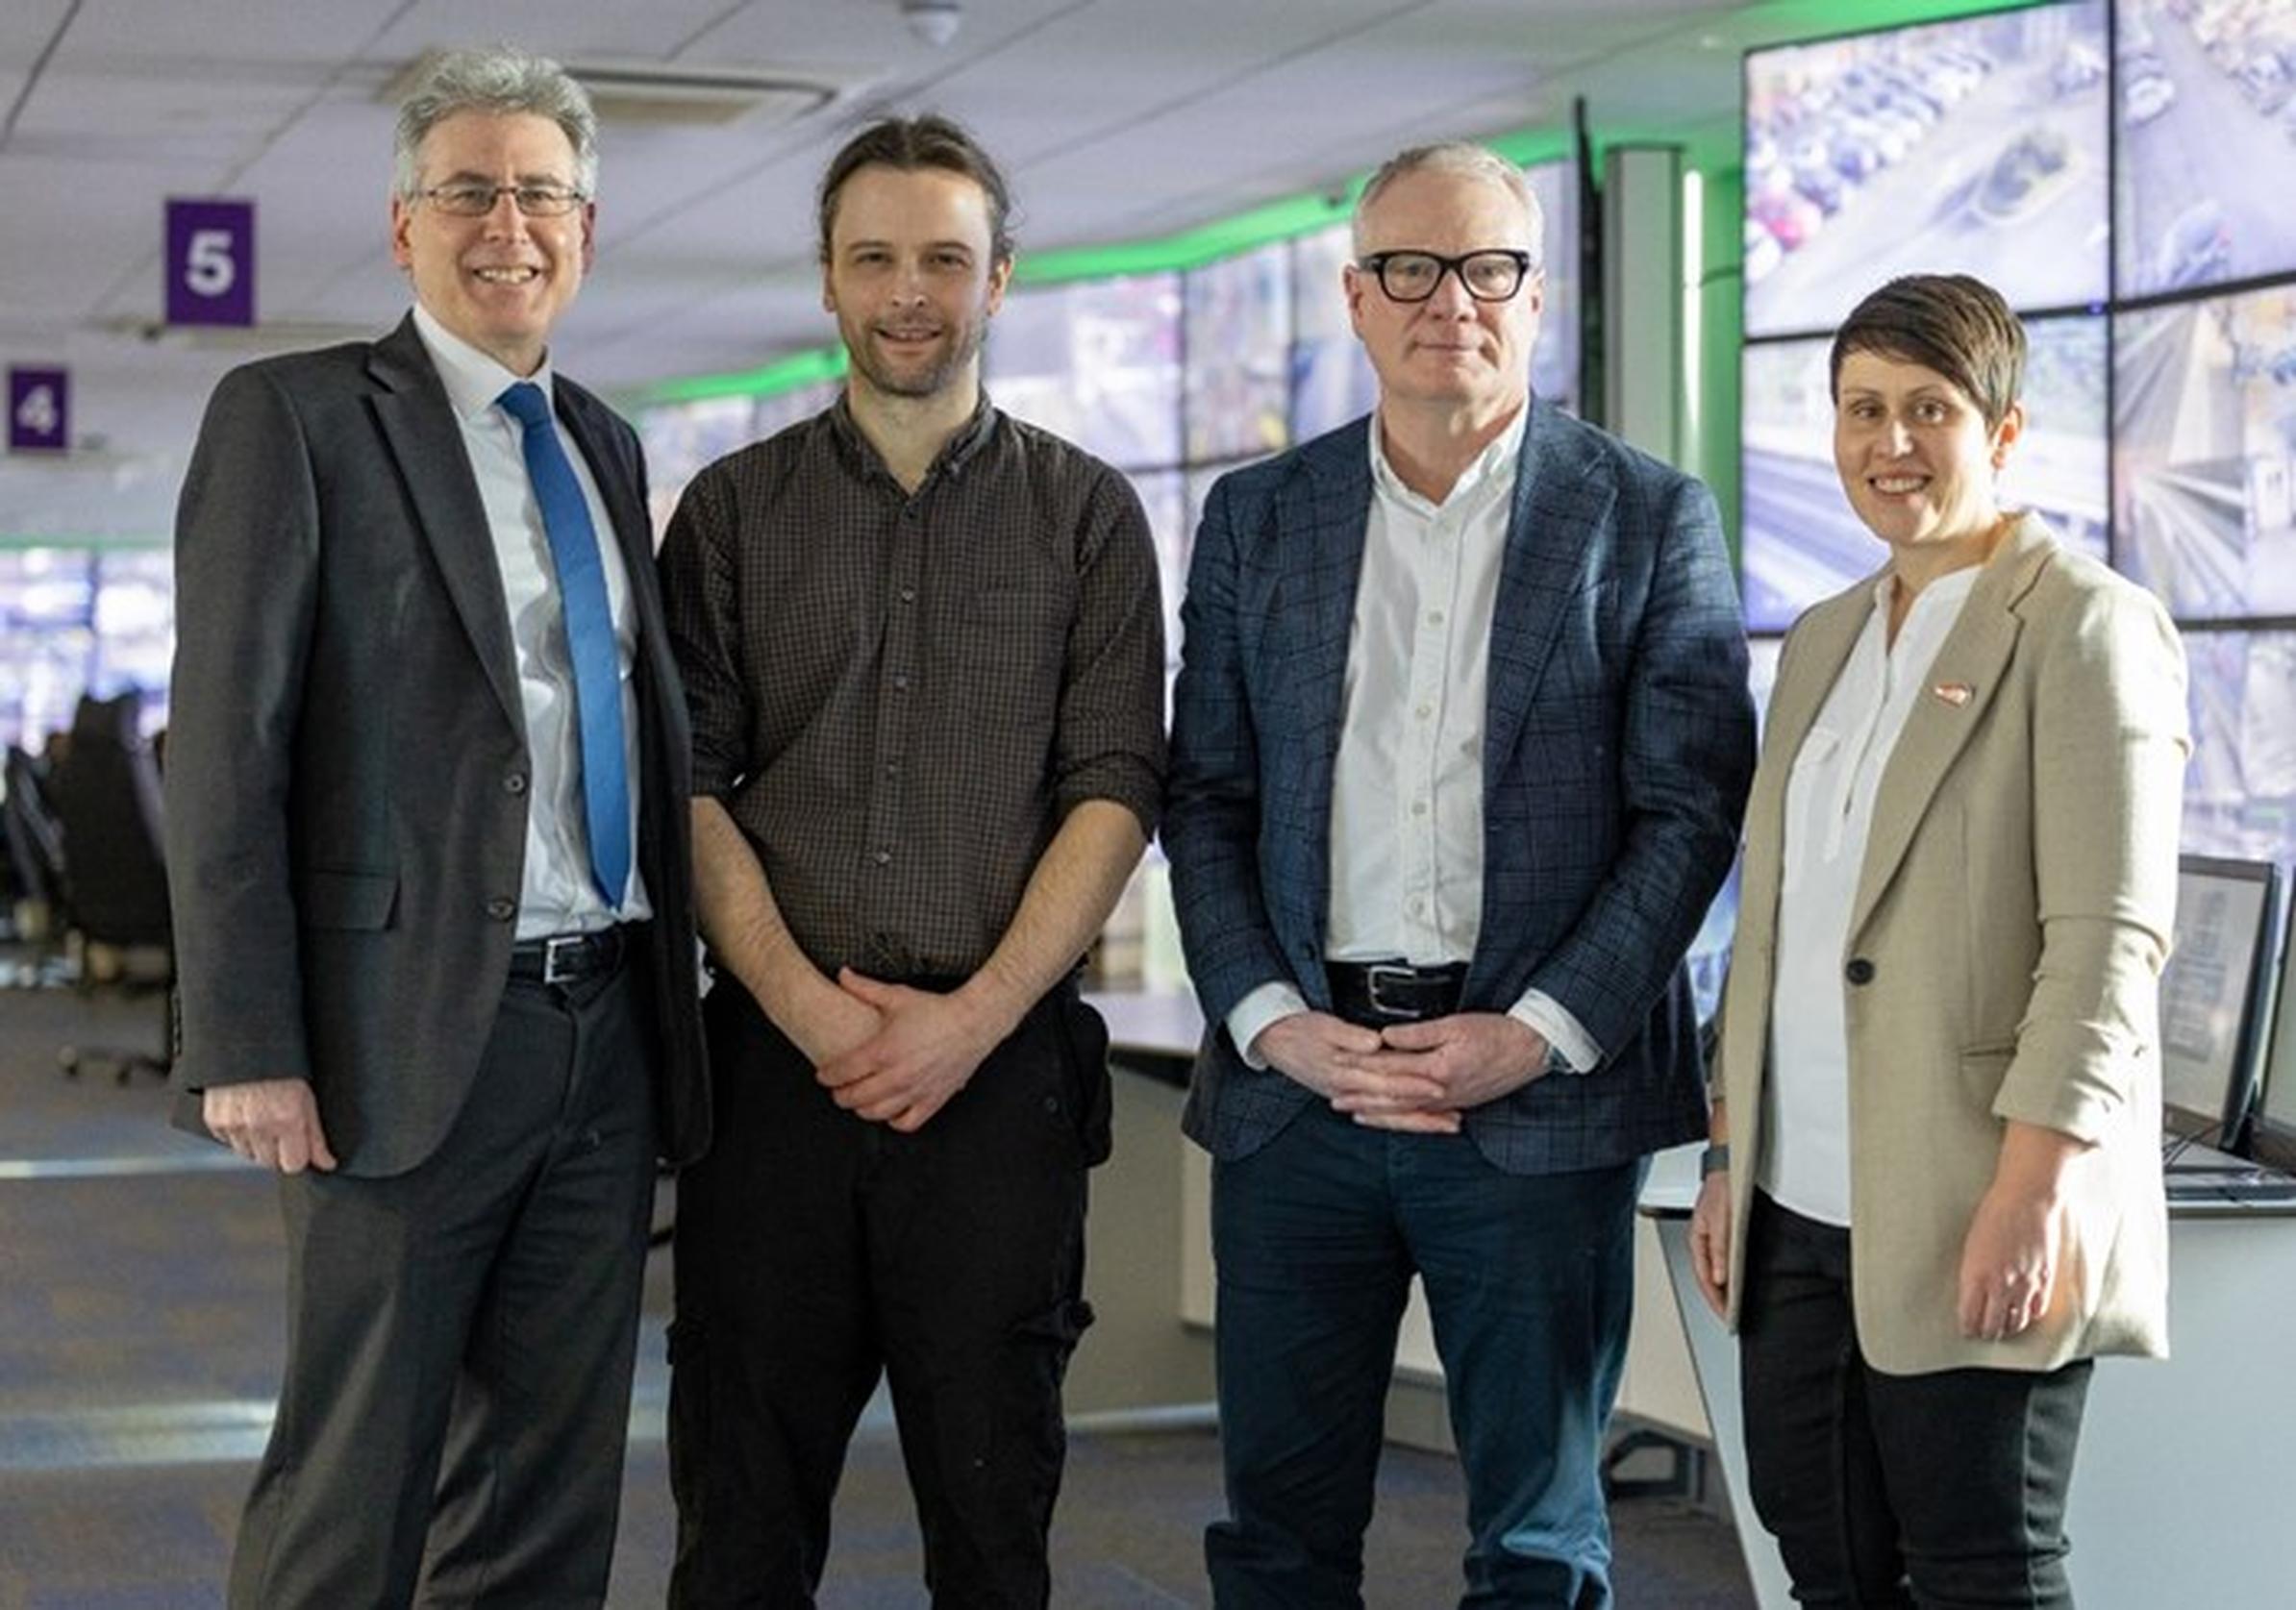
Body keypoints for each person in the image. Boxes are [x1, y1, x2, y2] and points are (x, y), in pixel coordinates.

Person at [1163, 140, 1756, 1607]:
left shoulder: (1646, 515)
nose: (1453, 302)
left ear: (1535, 294)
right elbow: (1208, 795)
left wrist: (1537, 1032)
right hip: (1301, 1096)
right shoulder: (1261, 517)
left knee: (1540, 1544)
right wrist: (1266, 1019)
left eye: (1487, 267)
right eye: (1412, 271)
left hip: (1537, 1103)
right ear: (1356, 298)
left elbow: (1688, 811)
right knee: (1278, 1538)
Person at [164, 45, 710, 1608]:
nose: (507, 224)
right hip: (391, 1038)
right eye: (467, 190)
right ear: (403, 227)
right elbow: (227, 751)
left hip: (601, 1031)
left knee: (549, 1481)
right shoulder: (297, 417)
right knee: (359, 1474)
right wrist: (246, 1036)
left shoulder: (604, 442)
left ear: (587, 233)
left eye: (541, 193)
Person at [656, 114, 1165, 1607]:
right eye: (873, 258)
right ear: (826, 280)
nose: (908, 292)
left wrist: (970, 1021)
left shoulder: (1086, 515)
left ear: (1000, 278)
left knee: (995, 1535)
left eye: (944, 259)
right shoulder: (738, 513)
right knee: (740, 1532)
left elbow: (1114, 783)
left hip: (999, 1088)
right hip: (771, 1090)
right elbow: (686, 785)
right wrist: (812, 1013)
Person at [1689, 273, 2188, 1608]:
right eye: (1863, 410)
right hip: (1800, 1200)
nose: (1889, 442)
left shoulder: (2082, 625)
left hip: (1973, 1187)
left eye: (1930, 409)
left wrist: (2035, 1190)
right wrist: (1735, 1149)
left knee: (1979, 1572)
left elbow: (2109, 940)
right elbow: (1781, 924)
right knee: (1823, 1550)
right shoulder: (1824, 640)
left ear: (2003, 433)